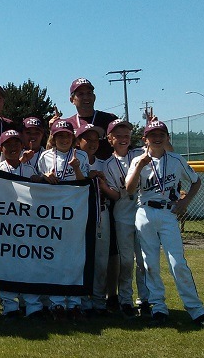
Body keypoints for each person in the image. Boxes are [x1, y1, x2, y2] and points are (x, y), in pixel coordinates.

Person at [125, 120, 204, 328]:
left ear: (167, 137)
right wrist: (140, 166)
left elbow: (196, 181)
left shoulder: (175, 159)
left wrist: (185, 202)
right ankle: (158, 308)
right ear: (145, 139)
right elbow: (129, 190)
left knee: (177, 263)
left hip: (167, 212)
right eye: (152, 134)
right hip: (145, 211)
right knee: (149, 263)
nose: (157, 138)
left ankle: (196, 310)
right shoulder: (138, 160)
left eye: (161, 134)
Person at [36, 119, 89, 321]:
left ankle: (74, 303)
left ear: (72, 137)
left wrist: (76, 169)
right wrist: (45, 177)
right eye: (60, 136)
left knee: (75, 257)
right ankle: (57, 302)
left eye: (67, 135)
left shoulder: (81, 155)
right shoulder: (45, 156)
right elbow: (39, 182)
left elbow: (85, 183)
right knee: (55, 257)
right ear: (53, 137)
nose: (64, 139)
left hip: (76, 211)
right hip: (53, 213)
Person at [0, 130, 45, 322]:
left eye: (16, 144)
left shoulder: (31, 170)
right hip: (4, 226)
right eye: (8, 144)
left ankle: (33, 306)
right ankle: (10, 306)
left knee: (29, 264)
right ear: (1, 148)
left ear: (22, 147)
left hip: (27, 225)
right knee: (6, 266)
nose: (13, 148)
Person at [103, 119, 149, 318]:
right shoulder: (108, 164)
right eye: (118, 136)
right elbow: (117, 194)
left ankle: (145, 299)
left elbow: (162, 147)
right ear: (110, 139)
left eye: (127, 136)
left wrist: (151, 126)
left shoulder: (139, 153)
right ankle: (125, 299)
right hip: (123, 213)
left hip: (143, 211)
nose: (123, 139)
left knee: (144, 260)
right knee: (126, 261)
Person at [75, 124, 113, 316]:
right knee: (80, 259)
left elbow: (114, 194)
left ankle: (99, 300)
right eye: (87, 139)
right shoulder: (71, 161)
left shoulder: (104, 163)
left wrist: (100, 182)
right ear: (78, 141)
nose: (92, 143)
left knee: (100, 260)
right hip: (78, 216)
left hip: (101, 213)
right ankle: (81, 300)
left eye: (95, 139)